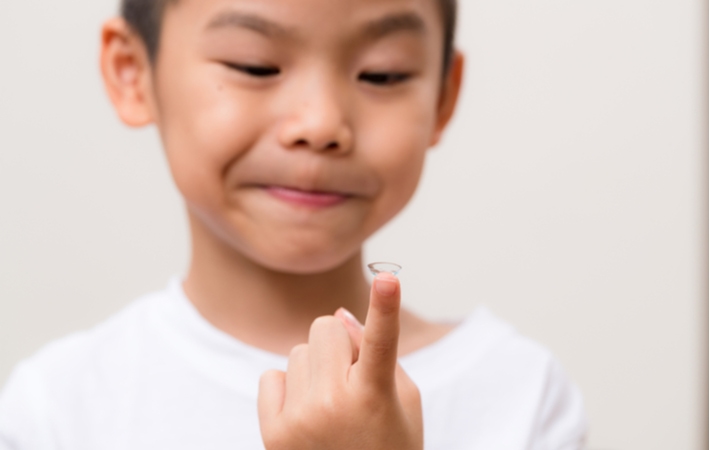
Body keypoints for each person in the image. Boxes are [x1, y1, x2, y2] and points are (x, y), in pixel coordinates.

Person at [0, 0, 587, 448]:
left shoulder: (521, 395)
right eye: (255, 65)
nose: (321, 122)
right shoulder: (57, 409)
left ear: (443, 96)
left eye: (382, 75)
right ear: (133, 72)